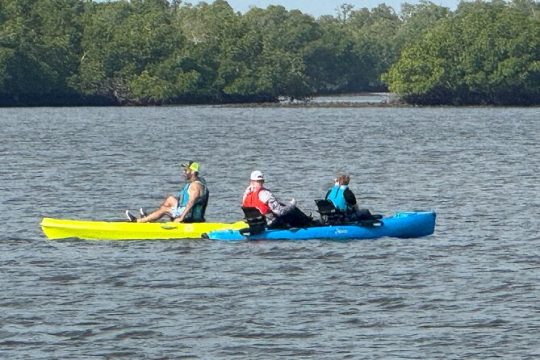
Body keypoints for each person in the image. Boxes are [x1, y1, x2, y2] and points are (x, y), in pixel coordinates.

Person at [126, 161, 209, 223]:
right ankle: (148, 218)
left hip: (189, 216)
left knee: (164, 209)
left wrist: (181, 218)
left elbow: (191, 203)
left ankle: (138, 221)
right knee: (170, 199)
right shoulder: (198, 182)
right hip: (185, 210)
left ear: (193, 172)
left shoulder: (195, 186)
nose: (183, 172)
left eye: (186, 170)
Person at [242, 170, 313, 228]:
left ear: (251, 182)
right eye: (260, 181)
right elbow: (280, 212)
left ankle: (307, 221)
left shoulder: (246, 195)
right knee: (293, 210)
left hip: (254, 223)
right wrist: (292, 205)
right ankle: (309, 223)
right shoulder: (265, 194)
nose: (261, 183)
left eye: (261, 181)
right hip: (271, 224)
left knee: (282, 205)